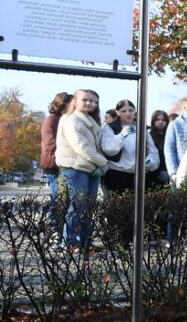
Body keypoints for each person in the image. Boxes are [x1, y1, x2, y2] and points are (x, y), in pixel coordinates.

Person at [55, 89, 107, 250]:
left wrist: (98, 164)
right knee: (78, 204)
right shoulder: (71, 120)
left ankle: (84, 240)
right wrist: (103, 162)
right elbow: (80, 146)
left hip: (89, 167)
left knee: (88, 206)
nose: (90, 103)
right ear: (75, 102)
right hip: (75, 167)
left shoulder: (90, 121)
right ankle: (68, 241)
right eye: (86, 100)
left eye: (94, 101)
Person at [100, 100, 161, 194]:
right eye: (124, 111)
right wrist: (121, 135)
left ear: (135, 111)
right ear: (118, 112)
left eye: (131, 110)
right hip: (117, 174)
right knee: (118, 205)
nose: (128, 113)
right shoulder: (109, 128)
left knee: (138, 206)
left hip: (139, 174)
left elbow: (152, 151)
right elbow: (108, 149)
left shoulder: (142, 128)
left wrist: (150, 162)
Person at [40, 91, 72, 226]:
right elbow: (51, 142)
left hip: (63, 163)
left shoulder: (66, 119)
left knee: (64, 198)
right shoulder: (51, 120)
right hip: (54, 164)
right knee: (57, 198)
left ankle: (59, 226)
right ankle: (54, 228)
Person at [164, 97, 187, 187]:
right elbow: (169, 150)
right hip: (181, 169)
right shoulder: (175, 125)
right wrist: (173, 172)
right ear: (185, 109)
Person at [148, 110, 170, 186]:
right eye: (157, 120)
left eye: (163, 120)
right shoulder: (148, 136)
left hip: (168, 171)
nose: (161, 122)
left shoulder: (170, 136)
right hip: (152, 173)